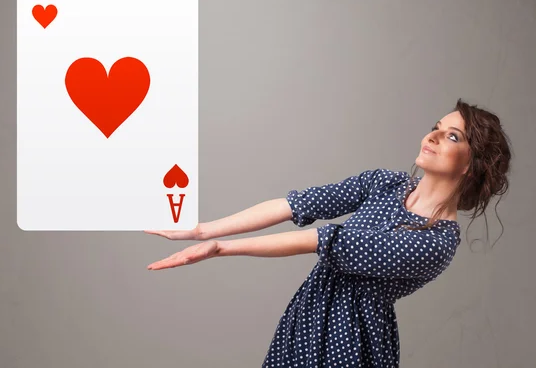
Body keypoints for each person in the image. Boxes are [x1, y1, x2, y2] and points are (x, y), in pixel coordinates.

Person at [145, 99, 512, 367]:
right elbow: (298, 204)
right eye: (436, 126)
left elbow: (324, 241)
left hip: (351, 342)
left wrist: (221, 248)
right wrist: (203, 229)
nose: (431, 136)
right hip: (307, 316)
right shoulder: (387, 183)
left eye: (451, 136)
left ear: (471, 165)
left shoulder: (436, 241)